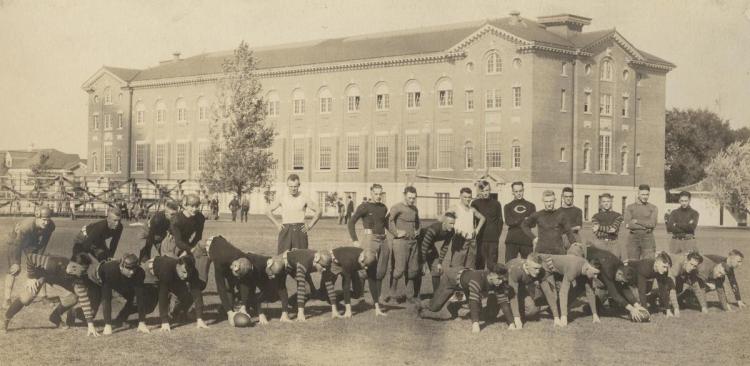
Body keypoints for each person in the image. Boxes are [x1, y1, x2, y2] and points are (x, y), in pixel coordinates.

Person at [2, 253, 98, 336]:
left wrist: (90, 325)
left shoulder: (78, 278)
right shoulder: (53, 263)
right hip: (43, 274)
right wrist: (31, 277)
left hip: (60, 279)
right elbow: (30, 257)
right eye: (83, 269)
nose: (84, 273)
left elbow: (84, 298)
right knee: (26, 298)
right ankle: (5, 319)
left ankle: (55, 316)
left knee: (74, 297)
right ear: (74, 266)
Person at [417, 266, 514, 333]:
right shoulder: (478, 279)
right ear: (492, 274)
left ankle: (452, 307)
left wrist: (511, 323)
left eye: (503, 280)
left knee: (476, 307)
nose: (500, 282)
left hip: (464, 284)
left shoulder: (497, 282)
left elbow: (503, 302)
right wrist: (475, 324)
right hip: (451, 278)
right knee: (435, 307)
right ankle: (420, 305)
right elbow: (474, 301)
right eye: (499, 278)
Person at [567, 243, 650, 322]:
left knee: (593, 285)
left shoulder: (620, 267)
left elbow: (624, 287)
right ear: (619, 274)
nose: (621, 283)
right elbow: (614, 293)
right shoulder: (608, 269)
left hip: (589, 257)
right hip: (578, 253)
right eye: (621, 281)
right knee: (580, 285)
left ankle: (592, 308)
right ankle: (560, 308)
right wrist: (632, 309)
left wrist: (636, 305)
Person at [347, 184, 390, 315]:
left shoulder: (384, 207)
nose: (378, 196)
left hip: (383, 239)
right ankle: (364, 297)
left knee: (381, 272)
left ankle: (376, 303)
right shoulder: (364, 206)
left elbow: (385, 224)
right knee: (369, 270)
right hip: (370, 239)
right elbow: (351, 222)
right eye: (376, 194)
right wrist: (355, 240)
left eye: (380, 194)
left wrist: (396, 232)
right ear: (371, 193)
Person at [195, 236, 254, 326]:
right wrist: (229, 313)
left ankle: (224, 308)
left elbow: (244, 282)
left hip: (222, 246)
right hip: (204, 247)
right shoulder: (220, 260)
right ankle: (190, 309)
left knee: (229, 287)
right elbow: (220, 286)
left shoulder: (244, 259)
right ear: (233, 265)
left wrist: (244, 306)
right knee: (200, 281)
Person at [4, 207, 55, 308]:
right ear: (37, 217)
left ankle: (44, 296)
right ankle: (7, 299)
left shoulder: (51, 226)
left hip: (31, 241)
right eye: (44, 220)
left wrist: (39, 258)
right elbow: (16, 244)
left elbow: (44, 243)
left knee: (40, 265)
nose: (46, 223)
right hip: (14, 241)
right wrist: (16, 262)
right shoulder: (25, 226)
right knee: (14, 270)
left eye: (48, 220)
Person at [90, 254, 152, 335]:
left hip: (120, 281)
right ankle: (74, 313)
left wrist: (142, 322)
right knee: (92, 312)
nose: (132, 271)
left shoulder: (139, 273)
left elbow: (140, 297)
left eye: (134, 268)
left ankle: (120, 319)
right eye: (129, 268)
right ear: (121, 266)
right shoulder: (110, 270)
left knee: (135, 299)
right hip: (97, 280)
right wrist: (107, 325)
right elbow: (106, 298)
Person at [149, 255, 208, 331]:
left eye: (188, 273)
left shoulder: (192, 272)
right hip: (152, 269)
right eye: (184, 272)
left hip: (173, 275)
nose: (186, 276)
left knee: (188, 294)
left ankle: (177, 313)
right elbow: (163, 295)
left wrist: (199, 319)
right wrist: (164, 322)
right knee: (149, 303)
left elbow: (197, 294)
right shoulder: (166, 270)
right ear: (178, 265)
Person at [538, 254, 600, 327]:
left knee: (584, 286)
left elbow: (590, 291)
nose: (596, 276)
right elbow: (563, 292)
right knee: (550, 295)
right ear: (588, 268)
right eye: (595, 273)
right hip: (544, 265)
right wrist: (564, 317)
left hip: (559, 269)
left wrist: (595, 314)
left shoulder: (586, 268)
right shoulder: (573, 269)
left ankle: (556, 310)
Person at [265, 174, 322, 254]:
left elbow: (319, 211)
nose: (293, 189)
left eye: (295, 186)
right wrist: (277, 224)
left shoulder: (304, 197)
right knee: (283, 258)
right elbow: (267, 211)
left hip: (300, 230)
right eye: (291, 186)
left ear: (299, 185)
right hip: (286, 229)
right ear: (287, 185)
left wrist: (309, 226)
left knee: (301, 258)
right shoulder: (282, 197)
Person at [321, 247, 378, 318]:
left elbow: (373, 282)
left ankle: (334, 298)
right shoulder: (348, 261)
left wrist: (377, 308)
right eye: (364, 264)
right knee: (322, 294)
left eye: (367, 266)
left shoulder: (371, 259)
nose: (365, 268)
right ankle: (309, 297)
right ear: (361, 257)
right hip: (335, 262)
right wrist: (348, 310)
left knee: (357, 293)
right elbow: (346, 285)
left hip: (352, 265)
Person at [387, 186, 421, 303]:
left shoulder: (415, 209)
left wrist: (418, 230)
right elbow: (388, 221)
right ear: (404, 195)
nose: (412, 200)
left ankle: (409, 296)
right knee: (399, 270)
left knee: (413, 270)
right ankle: (392, 294)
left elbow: (418, 222)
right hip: (401, 242)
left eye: (414, 198)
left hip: (413, 242)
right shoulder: (396, 207)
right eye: (410, 198)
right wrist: (396, 232)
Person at [278, 248, 332, 322]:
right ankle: (285, 312)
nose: (324, 269)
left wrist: (334, 310)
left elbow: (329, 282)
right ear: (316, 260)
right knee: (278, 289)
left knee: (309, 290)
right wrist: (301, 313)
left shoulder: (320, 261)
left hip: (296, 263)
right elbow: (301, 286)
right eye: (323, 266)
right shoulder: (304, 263)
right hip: (284, 262)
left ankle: (292, 303)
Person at [521, 191, 576, 255]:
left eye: (551, 201)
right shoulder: (538, 215)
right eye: (546, 201)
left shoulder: (561, 215)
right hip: (541, 251)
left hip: (558, 252)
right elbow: (524, 225)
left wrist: (573, 243)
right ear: (543, 201)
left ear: (555, 200)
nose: (549, 204)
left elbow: (568, 230)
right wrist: (533, 238)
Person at [445, 187, 485, 270]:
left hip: (472, 241)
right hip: (460, 240)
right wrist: (454, 230)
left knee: (470, 268)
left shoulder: (472, 209)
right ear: (460, 196)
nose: (467, 199)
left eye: (469, 197)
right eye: (465, 197)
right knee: (456, 267)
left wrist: (477, 230)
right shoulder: (455, 207)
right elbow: (444, 219)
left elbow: (482, 218)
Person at [630, 251, 679, 317]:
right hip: (629, 271)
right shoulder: (645, 267)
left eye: (667, 267)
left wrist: (668, 309)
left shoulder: (662, 271)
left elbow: (663, 290)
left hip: (640, 274)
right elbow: (642, 291)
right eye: (664, 266)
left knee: (648, 289)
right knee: (635, 295)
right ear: (656, 263)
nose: (665, 270)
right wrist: (645, 311)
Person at [417, 213, 455, 295]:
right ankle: (415, 295)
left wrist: (440, 263)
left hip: (429, 245)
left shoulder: (451, 231)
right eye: (450, 223)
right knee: (418, 270)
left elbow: (445, 247)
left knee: (436, 269)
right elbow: (424, 246)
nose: (452, 226)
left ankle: (436, 295)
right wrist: (423, 263)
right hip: (419, 243)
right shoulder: (434, 229)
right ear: (444, 222)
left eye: (453, 224)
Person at [505, 254, 546, 329]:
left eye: (539, 269)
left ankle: (514, 309)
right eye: (535, 268)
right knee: (491, 313)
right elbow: (513, 294)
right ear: (527, 266)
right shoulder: (515, 270)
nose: (538, 272)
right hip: (504, 286)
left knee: (533, 310)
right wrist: (517, 319)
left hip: (520, 285)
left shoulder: (539, 270)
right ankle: (506, 307)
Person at [243, 252, 285, 324]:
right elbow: (251, 288)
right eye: (271, 274)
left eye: (274, 275)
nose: (273, 276)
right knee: (248, 293)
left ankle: (250, 305)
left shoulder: (276, 267)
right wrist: (260, 313)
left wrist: (285, 312)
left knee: (273, 295)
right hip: (245, 267)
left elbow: (282, 289)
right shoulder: (257, 268)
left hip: (258, 272)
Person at [470, 180, 503, 271]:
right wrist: (474, 235)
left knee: (492, 266)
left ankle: (491, 285)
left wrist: (496, 235)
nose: (485, 193)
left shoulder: (496, 204)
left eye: (487, 190)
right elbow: (472, 222)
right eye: (483, 190)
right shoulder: (475, 203)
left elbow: (500, 222)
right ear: (480, 191)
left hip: (493, 240)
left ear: (490, 190)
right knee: (479, 265)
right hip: (480, 239)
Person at [624, 184, 658, 260]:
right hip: (633, 239)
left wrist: (636, 221)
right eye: (643, 194)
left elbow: (652, 224)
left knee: (648, 263)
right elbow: (627, 225)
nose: (645, 197)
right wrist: (645, 226)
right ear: (638, 194)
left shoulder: (653, 208)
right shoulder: (630, 207)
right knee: (633, 264)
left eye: (647, 194)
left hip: (648, 239)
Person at [503, 182, 536, 261]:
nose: (518, 193)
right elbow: (509, 222)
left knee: (528, 265)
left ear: (523, 190)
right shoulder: (508, 206)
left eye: (520, 191)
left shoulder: (531, 206)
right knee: (509, 266)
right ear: (512, 192)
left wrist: (516, 220)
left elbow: (533, 223)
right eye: (516, 191)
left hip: (526, 240)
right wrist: (524, 219)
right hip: (512, 240)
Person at [591, 193, 624, 258]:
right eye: (604, 201)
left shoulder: (618, 216)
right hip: (600, 243)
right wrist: (607, 229)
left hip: (613, 243)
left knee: (615, 264)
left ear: (611, 202)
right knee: (599, 265)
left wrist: (599, 228)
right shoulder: (595, 216)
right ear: (600, 203)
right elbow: (597, 233)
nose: (606, 203)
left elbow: (613, 230)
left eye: (608, 201)